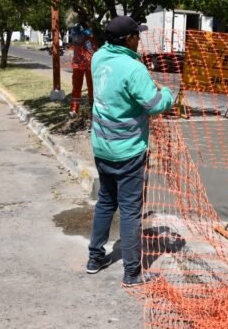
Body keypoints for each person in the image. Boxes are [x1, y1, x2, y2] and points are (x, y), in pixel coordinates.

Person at [86, 16, 174, 287]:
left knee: (105, 201)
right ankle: (132, 272)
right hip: (128, 152)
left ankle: (94, 257)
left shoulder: (98, 58)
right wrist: (169, 93)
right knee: (130, 210)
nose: (140, 39)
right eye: (137, 35)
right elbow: (154, 104)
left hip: (102, 147)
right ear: (128, 39)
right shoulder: (133, 68)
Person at [68, 25, 95, 116]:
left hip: (83, 63)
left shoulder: (77, 31)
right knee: (88, 86)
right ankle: (90, 107)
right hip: (85, 63)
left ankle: (75, 109)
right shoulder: (88, 33)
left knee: (79, 87)